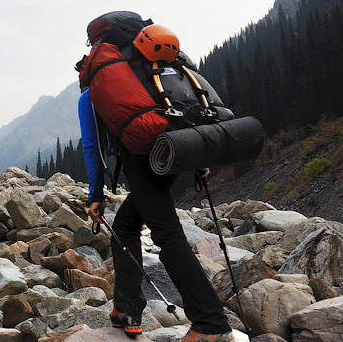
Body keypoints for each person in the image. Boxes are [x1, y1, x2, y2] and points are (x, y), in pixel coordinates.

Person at [78, 18, 234, 342]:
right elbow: (187, 110)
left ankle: (210, 322)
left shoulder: (96, 90)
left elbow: (92, 148)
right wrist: (198, 159)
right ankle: (126, 307)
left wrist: (95, 196)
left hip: (143, 160)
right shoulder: (159, 72)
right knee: (125, 226)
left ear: (97, 47)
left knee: (168, 235)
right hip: (176, 153)